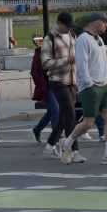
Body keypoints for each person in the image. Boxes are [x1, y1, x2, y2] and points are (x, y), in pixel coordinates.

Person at [64, 11, 107, 165]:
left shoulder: (98, 39)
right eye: (104, 22)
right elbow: (82, 65)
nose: (106, 25)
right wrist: (88, 84)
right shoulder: (83, 40)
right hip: (91, 86)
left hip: (104, 84)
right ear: (96, 22)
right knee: (88, 122)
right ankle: (66, 144)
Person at [40, 11, 78, 158]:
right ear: (59, 23)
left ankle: (50, 144)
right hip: (57, 80)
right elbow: (45, 63)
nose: (69, 29)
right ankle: (73, 150)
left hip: (72, 80)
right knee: (70, 114)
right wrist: (65, 60)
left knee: (65, 115)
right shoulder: (49, 39)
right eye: (67, 26)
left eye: (71, 26)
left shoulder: (73, 36)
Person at [30, 36, 59, 146]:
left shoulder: (57, 52)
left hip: (57, 83)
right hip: (47, 85)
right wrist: (40, 84)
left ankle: (37, 130)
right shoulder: (40, 52)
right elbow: (34, 70)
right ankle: (56, 134)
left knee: (52, 111)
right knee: (55, 109)